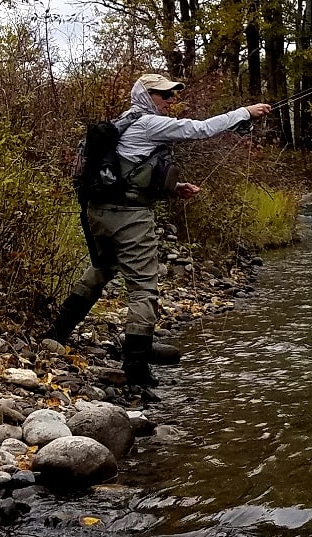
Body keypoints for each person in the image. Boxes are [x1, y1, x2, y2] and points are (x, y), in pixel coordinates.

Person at [45, 73, 272, 388]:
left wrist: (175, 187)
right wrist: (244, 113)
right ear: (145, 95)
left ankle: (56, 333)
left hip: (100, 213)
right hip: (129, 218)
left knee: (102, 269)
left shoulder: (124, 121)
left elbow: (127, 170)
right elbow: (200, 129)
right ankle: (136, 366)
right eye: (162, 95)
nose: (169, 100)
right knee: (143, 288)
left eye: (171, 95)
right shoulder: (149, 123)